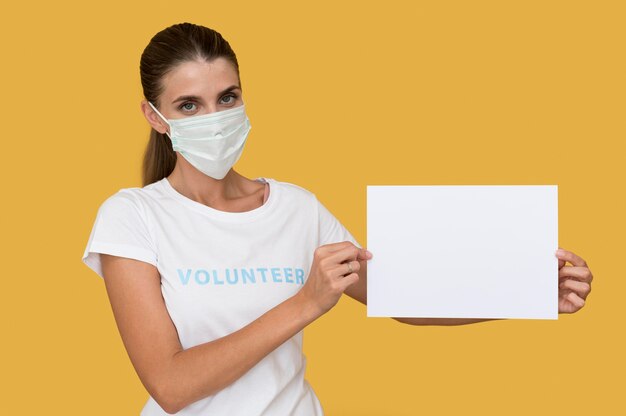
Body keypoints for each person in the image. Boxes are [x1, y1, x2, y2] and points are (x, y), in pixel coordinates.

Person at [81, 22, 593, 415]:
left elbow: (402, 295)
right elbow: (170, 386)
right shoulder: (132, 217)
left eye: (227, 98)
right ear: (155, 116)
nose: (214, 119)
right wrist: (306, 302)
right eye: (189, 105)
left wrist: (526, 291)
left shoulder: (297, 208)